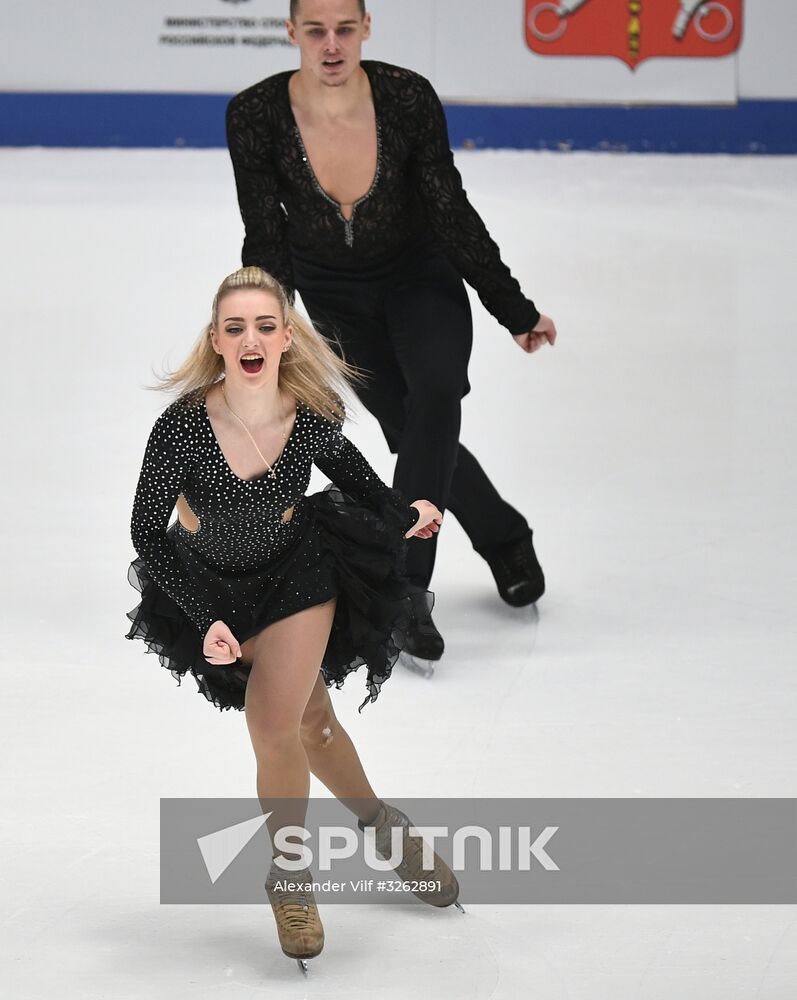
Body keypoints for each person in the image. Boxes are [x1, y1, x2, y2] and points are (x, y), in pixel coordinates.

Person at [125, 266, 462, 973]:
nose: (251, 339)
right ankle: (382, 825)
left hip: (300, 576)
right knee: (312, 724)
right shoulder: (182, 427)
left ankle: (289, 879)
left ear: (285, 338)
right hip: (210, 587)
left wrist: (411, 514)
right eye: (236, 327)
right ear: (216, 340)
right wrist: (204, 614)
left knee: (272, 724)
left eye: (265, 326)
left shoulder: (311, 420)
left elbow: (366, 487)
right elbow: (148, 534)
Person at [224, 0, 558, 666]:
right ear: (291, 32)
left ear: (365, 29)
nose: (330, 44)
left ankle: (406, 586)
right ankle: (502, 533)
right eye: (314, 30)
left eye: (344, 28)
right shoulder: (255, 115)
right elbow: (266, 235)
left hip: (420, 277)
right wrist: (264, 334)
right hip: (334, 296)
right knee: (411, 432)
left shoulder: (405, 98)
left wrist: (510, 306)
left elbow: (449, 208)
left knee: (436, 395)